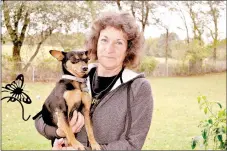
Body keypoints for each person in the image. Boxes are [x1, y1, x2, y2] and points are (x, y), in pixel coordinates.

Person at [35, 11, 154, 150]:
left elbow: (133, 144)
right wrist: (59, 132)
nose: (110, 49)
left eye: (119, 42)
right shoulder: (76, 77)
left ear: (128, 49)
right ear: (95, 43)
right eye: (104, 40)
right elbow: (40, 119)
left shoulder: (138, 87)